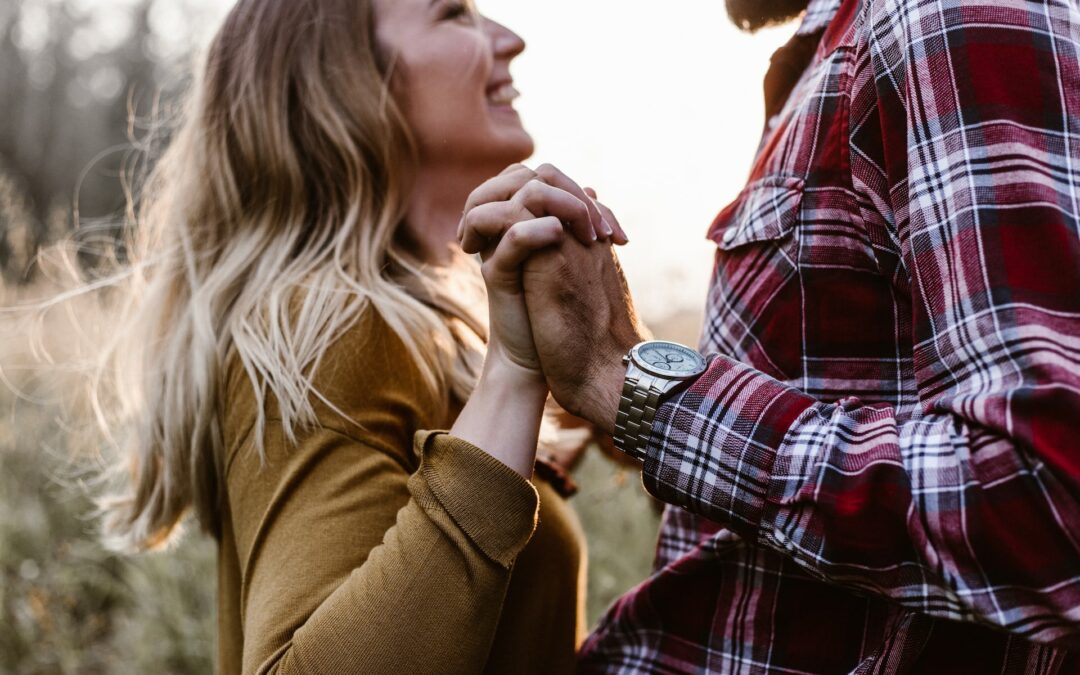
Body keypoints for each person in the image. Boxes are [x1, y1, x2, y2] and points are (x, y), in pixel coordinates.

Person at [460, 0, 1080, 671]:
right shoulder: (840, 52)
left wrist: (627, 382)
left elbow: (1044, 497)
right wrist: (624, 365)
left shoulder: (943, 17)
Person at [80, 0, 627, 672]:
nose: (509, 39)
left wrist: (610, 355)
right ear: (345, 80)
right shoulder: (332, 326)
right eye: (453, 13)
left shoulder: (427, 330)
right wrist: (512, 376)